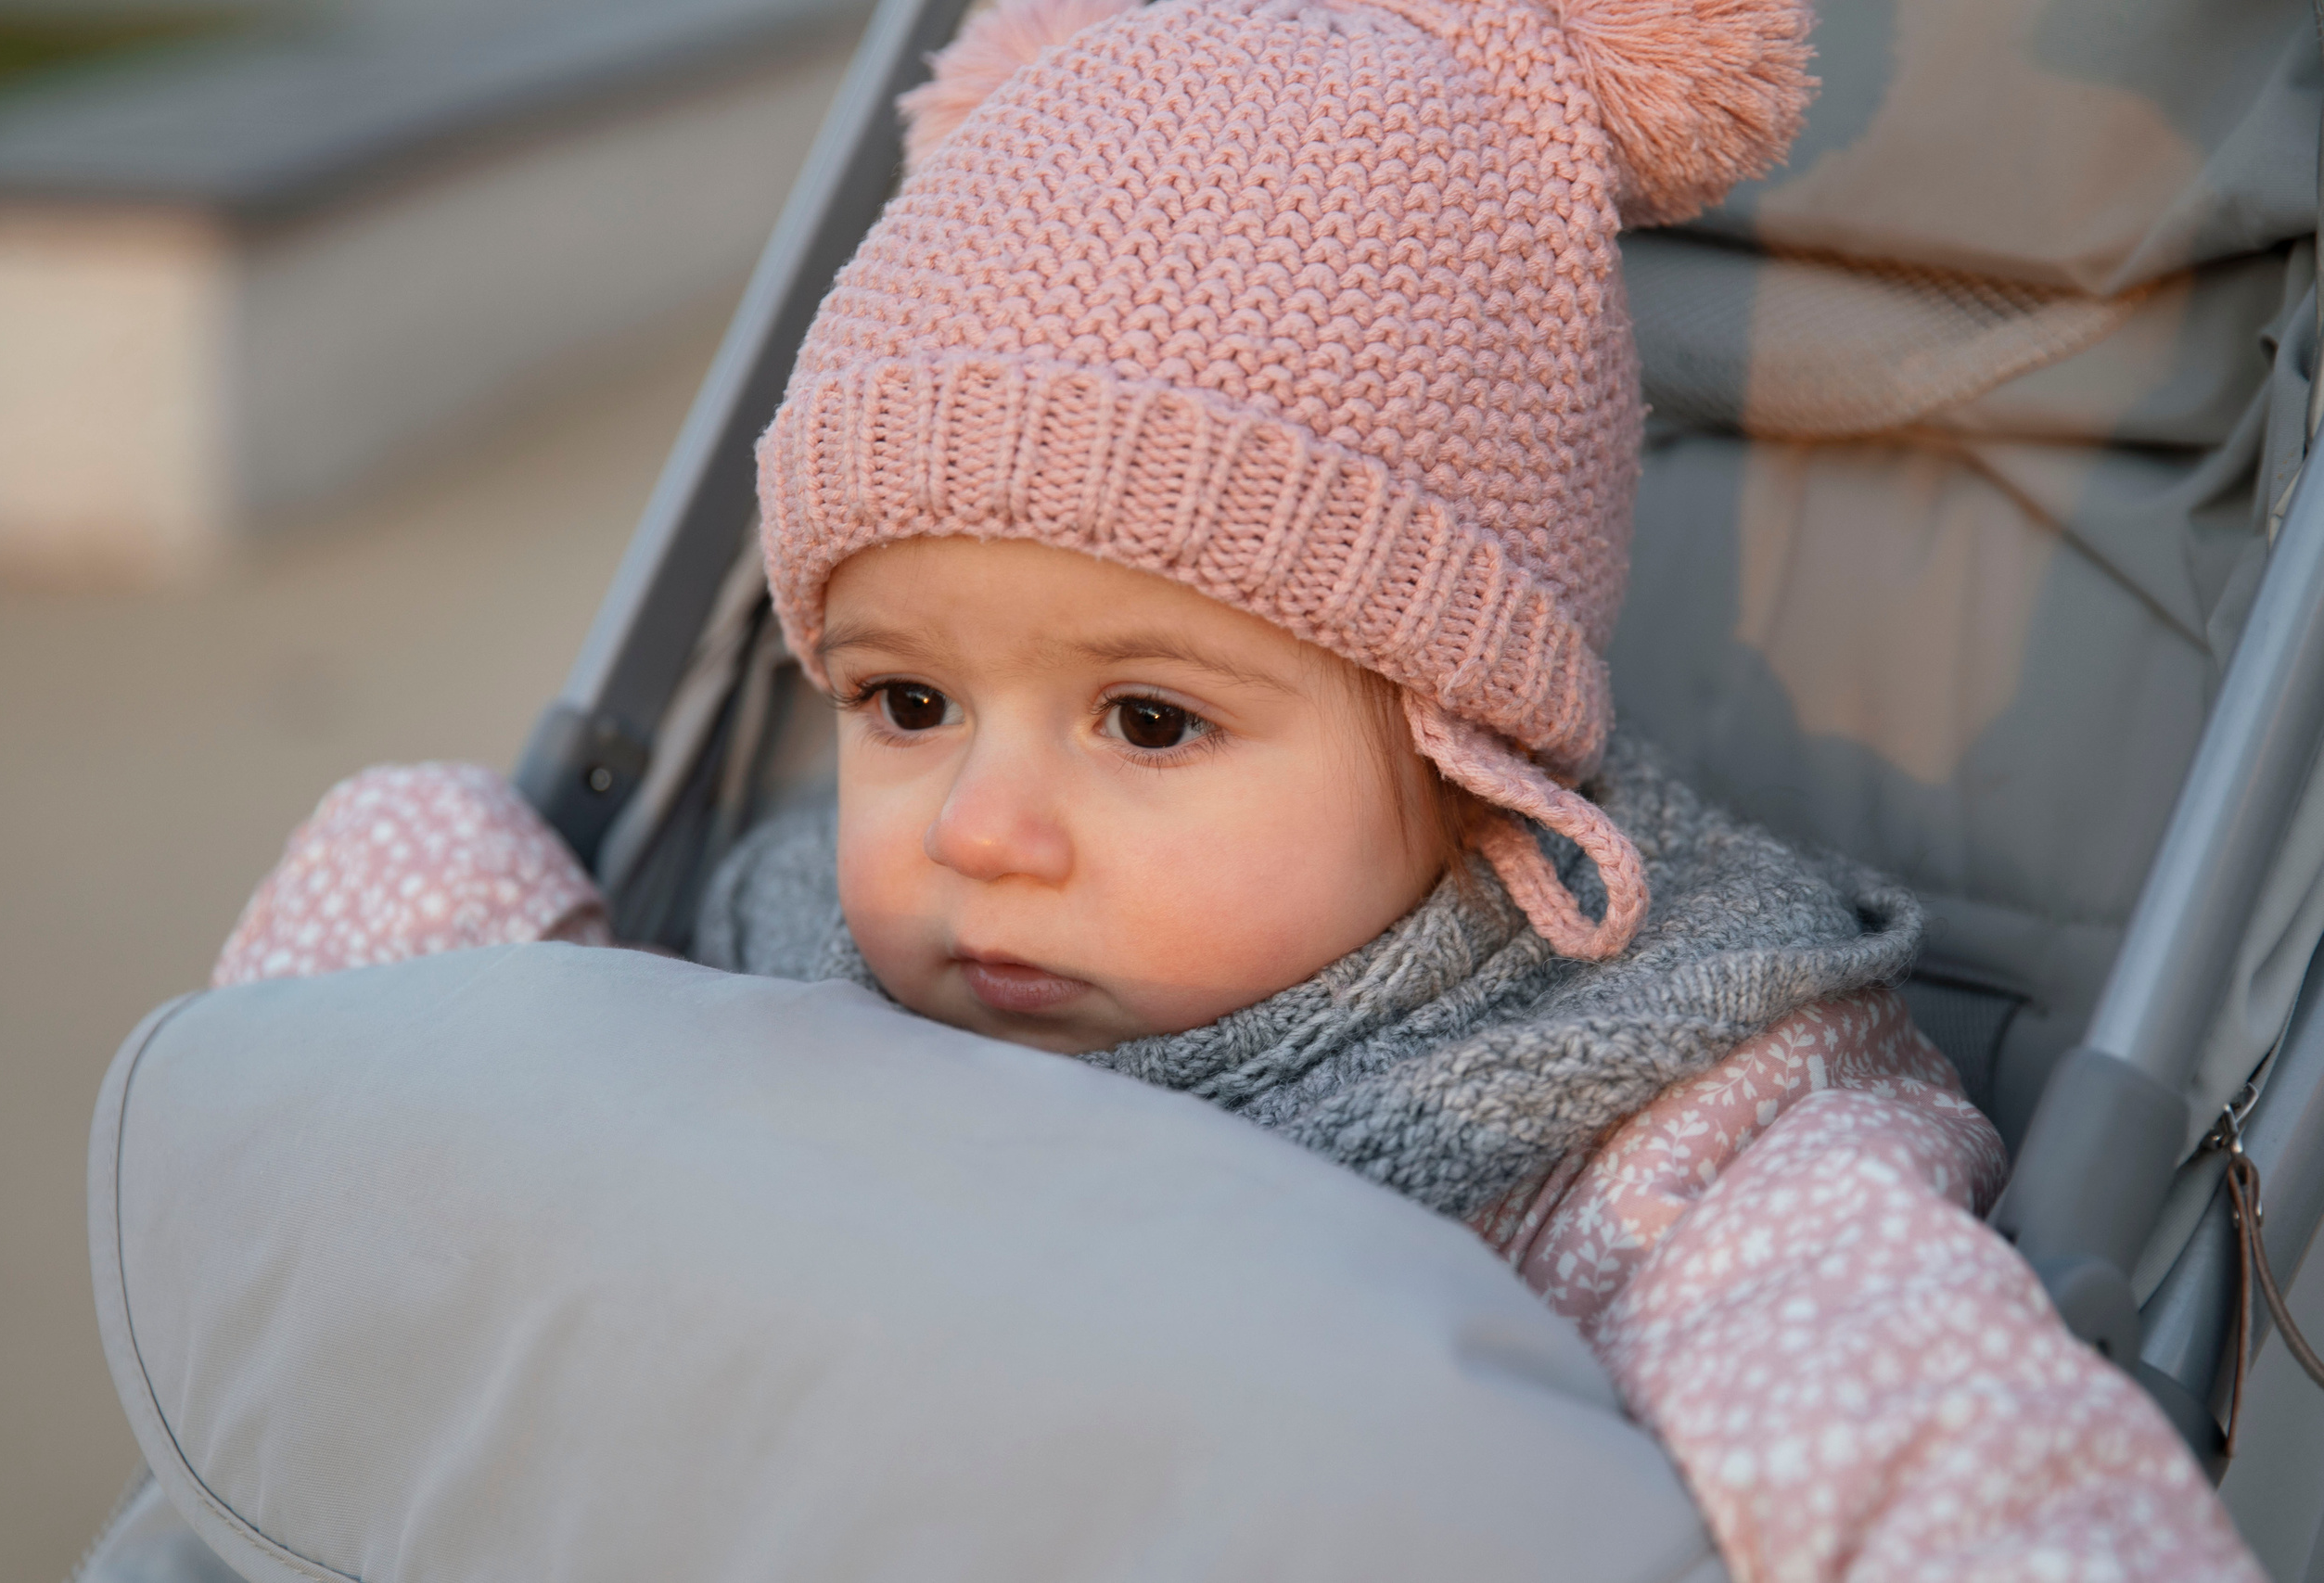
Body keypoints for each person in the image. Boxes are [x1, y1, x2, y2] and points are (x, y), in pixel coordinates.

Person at [212, 0, 2261, 1575]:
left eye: (1150, 723)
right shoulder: (794, 939)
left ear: (1467, 757)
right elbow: (482, 1106)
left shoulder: (1637, 1103)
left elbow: (1895, 1405)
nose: (978, 830)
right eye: (905, 700)